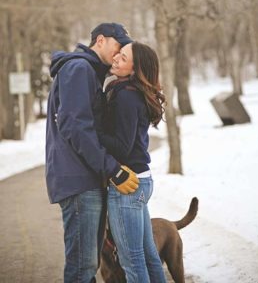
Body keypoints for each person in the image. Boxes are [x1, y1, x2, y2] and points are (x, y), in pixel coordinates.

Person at [45, 23, 139, 283]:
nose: (120, 53)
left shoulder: (87, 70)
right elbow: (76, 127)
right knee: (82, 267)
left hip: (84, 178)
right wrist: (112, 169)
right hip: (78, 181)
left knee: (87, 264)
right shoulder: (79, 68)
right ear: (100, 40)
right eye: (118, 46)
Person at [99, 41, 167, 283]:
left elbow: (121, 146)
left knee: (132, 260)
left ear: (135, 69)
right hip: (141, 180)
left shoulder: (126, 96)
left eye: (123, 57)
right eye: (119, 53)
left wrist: (91, 128)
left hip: (128, 185)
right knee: (148, 257)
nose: (116, 58)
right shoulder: (131, 91)